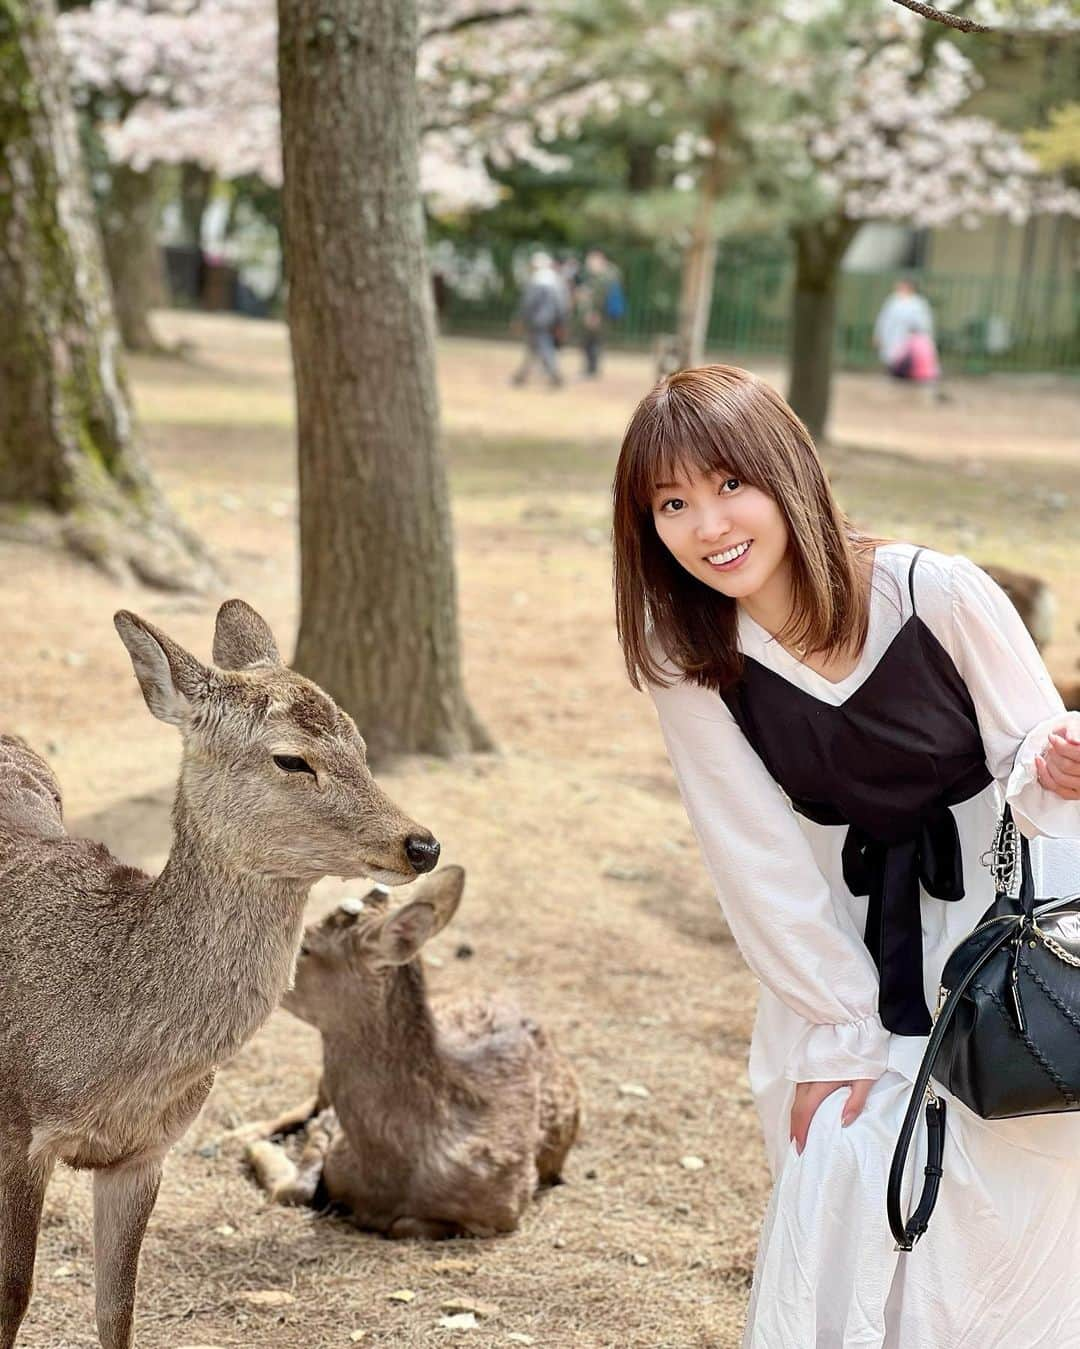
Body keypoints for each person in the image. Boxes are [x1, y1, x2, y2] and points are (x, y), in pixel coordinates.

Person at [612, 364, 1080, 1347]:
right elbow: (756, 856)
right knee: (841, 1158)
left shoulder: (932, 590)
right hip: (839, 943)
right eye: (673, 502)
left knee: (1020, 1173)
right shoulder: (691, 658)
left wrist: (1055, 761)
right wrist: (840, 1028)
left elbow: (1025, 755)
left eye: (731, 483)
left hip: (1003, 923)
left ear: (787, 474)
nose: (709, 524)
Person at [511, 251, 569, 388]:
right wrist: (561, 322)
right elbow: (562, 304)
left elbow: (528, 303)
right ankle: (521, 376)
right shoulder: (555, 280)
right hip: (550, 320)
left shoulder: (537, 280)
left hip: (537, 320)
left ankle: (554, 374)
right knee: (533, 347)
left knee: (543, 346)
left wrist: (520, 318)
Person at [873, 278, 942, 391]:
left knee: (905, 358)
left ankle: (909, 377)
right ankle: (892, 376)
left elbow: (923, 323)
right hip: (891, 334)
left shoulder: (918, 304)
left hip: (908, 337)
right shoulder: (892, 301)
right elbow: (883, 318)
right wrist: (878, 334)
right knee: (889, 356)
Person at [574, 248, 624, 378]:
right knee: (590, 341)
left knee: (593, 341)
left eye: (591, 260)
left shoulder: (604, 276)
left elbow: (601, 297)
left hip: (598, 315)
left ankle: (592, 370)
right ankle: (591, 369)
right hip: (596, 314)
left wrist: (594, 313)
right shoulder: (601, 275)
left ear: (599, 259)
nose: (588, 263)